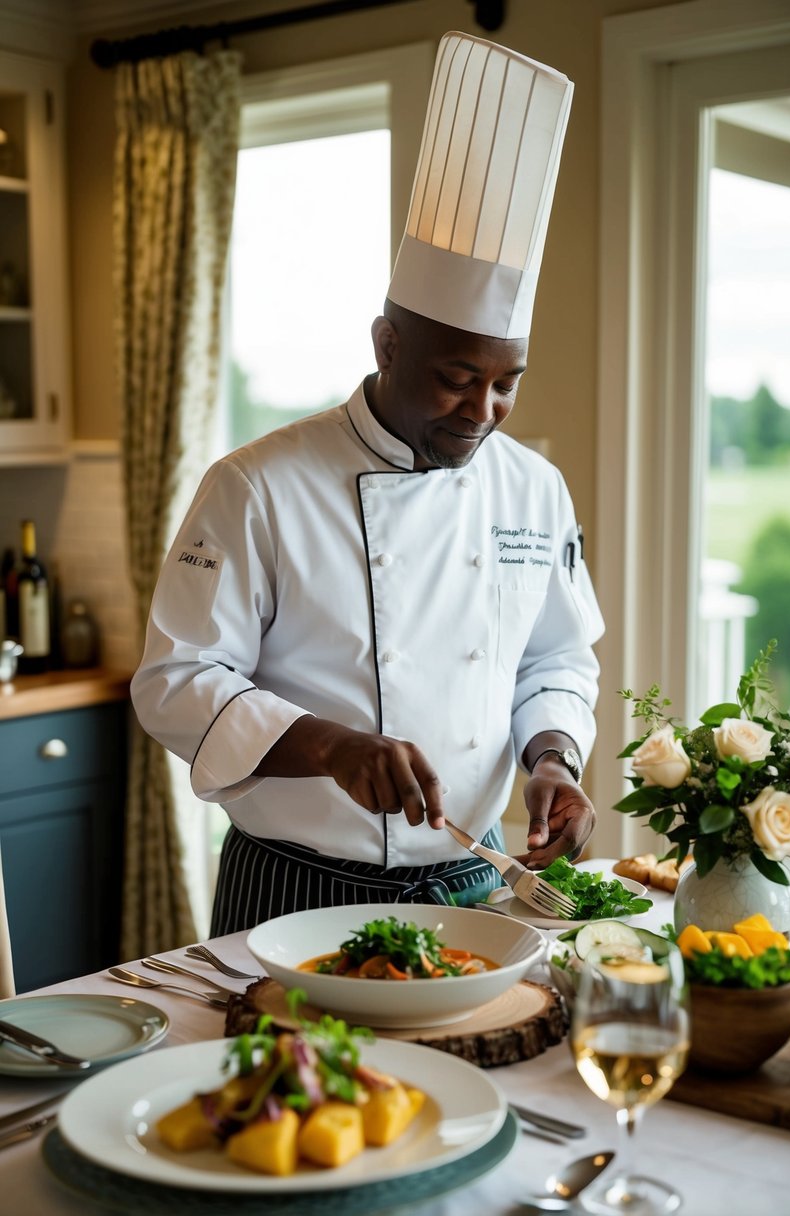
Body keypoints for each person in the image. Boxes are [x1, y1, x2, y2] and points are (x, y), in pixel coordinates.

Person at [131, 31, 605, 933]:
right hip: (291, 891)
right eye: (456, 377)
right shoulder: (256, 486)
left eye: (507, 382)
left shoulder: (534, 490)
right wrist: (327, 746)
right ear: (387, 345)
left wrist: (552, 759)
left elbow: (555, 657)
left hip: (472, 887)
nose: (483, 410)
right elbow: (175, 681)